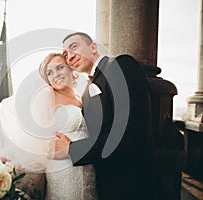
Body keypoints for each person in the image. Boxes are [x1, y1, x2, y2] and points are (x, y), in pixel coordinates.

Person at [53, 32, 164, 199]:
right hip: (104, 186)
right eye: (65, 54)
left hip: (135, 184)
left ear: (93, 47)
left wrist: (72, 150)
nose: (69, 56)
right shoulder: (84, 93)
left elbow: (130, 132)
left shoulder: (120, 66)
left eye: (74, 47)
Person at [0, 52, 97, 200]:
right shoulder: (47, 95)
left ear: (70, 69)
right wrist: (3, 156)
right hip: (63, 169)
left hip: (87, 167)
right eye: (50, 73)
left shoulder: (80, 95)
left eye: (60, 68)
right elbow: (33, 134)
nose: (56, 74)